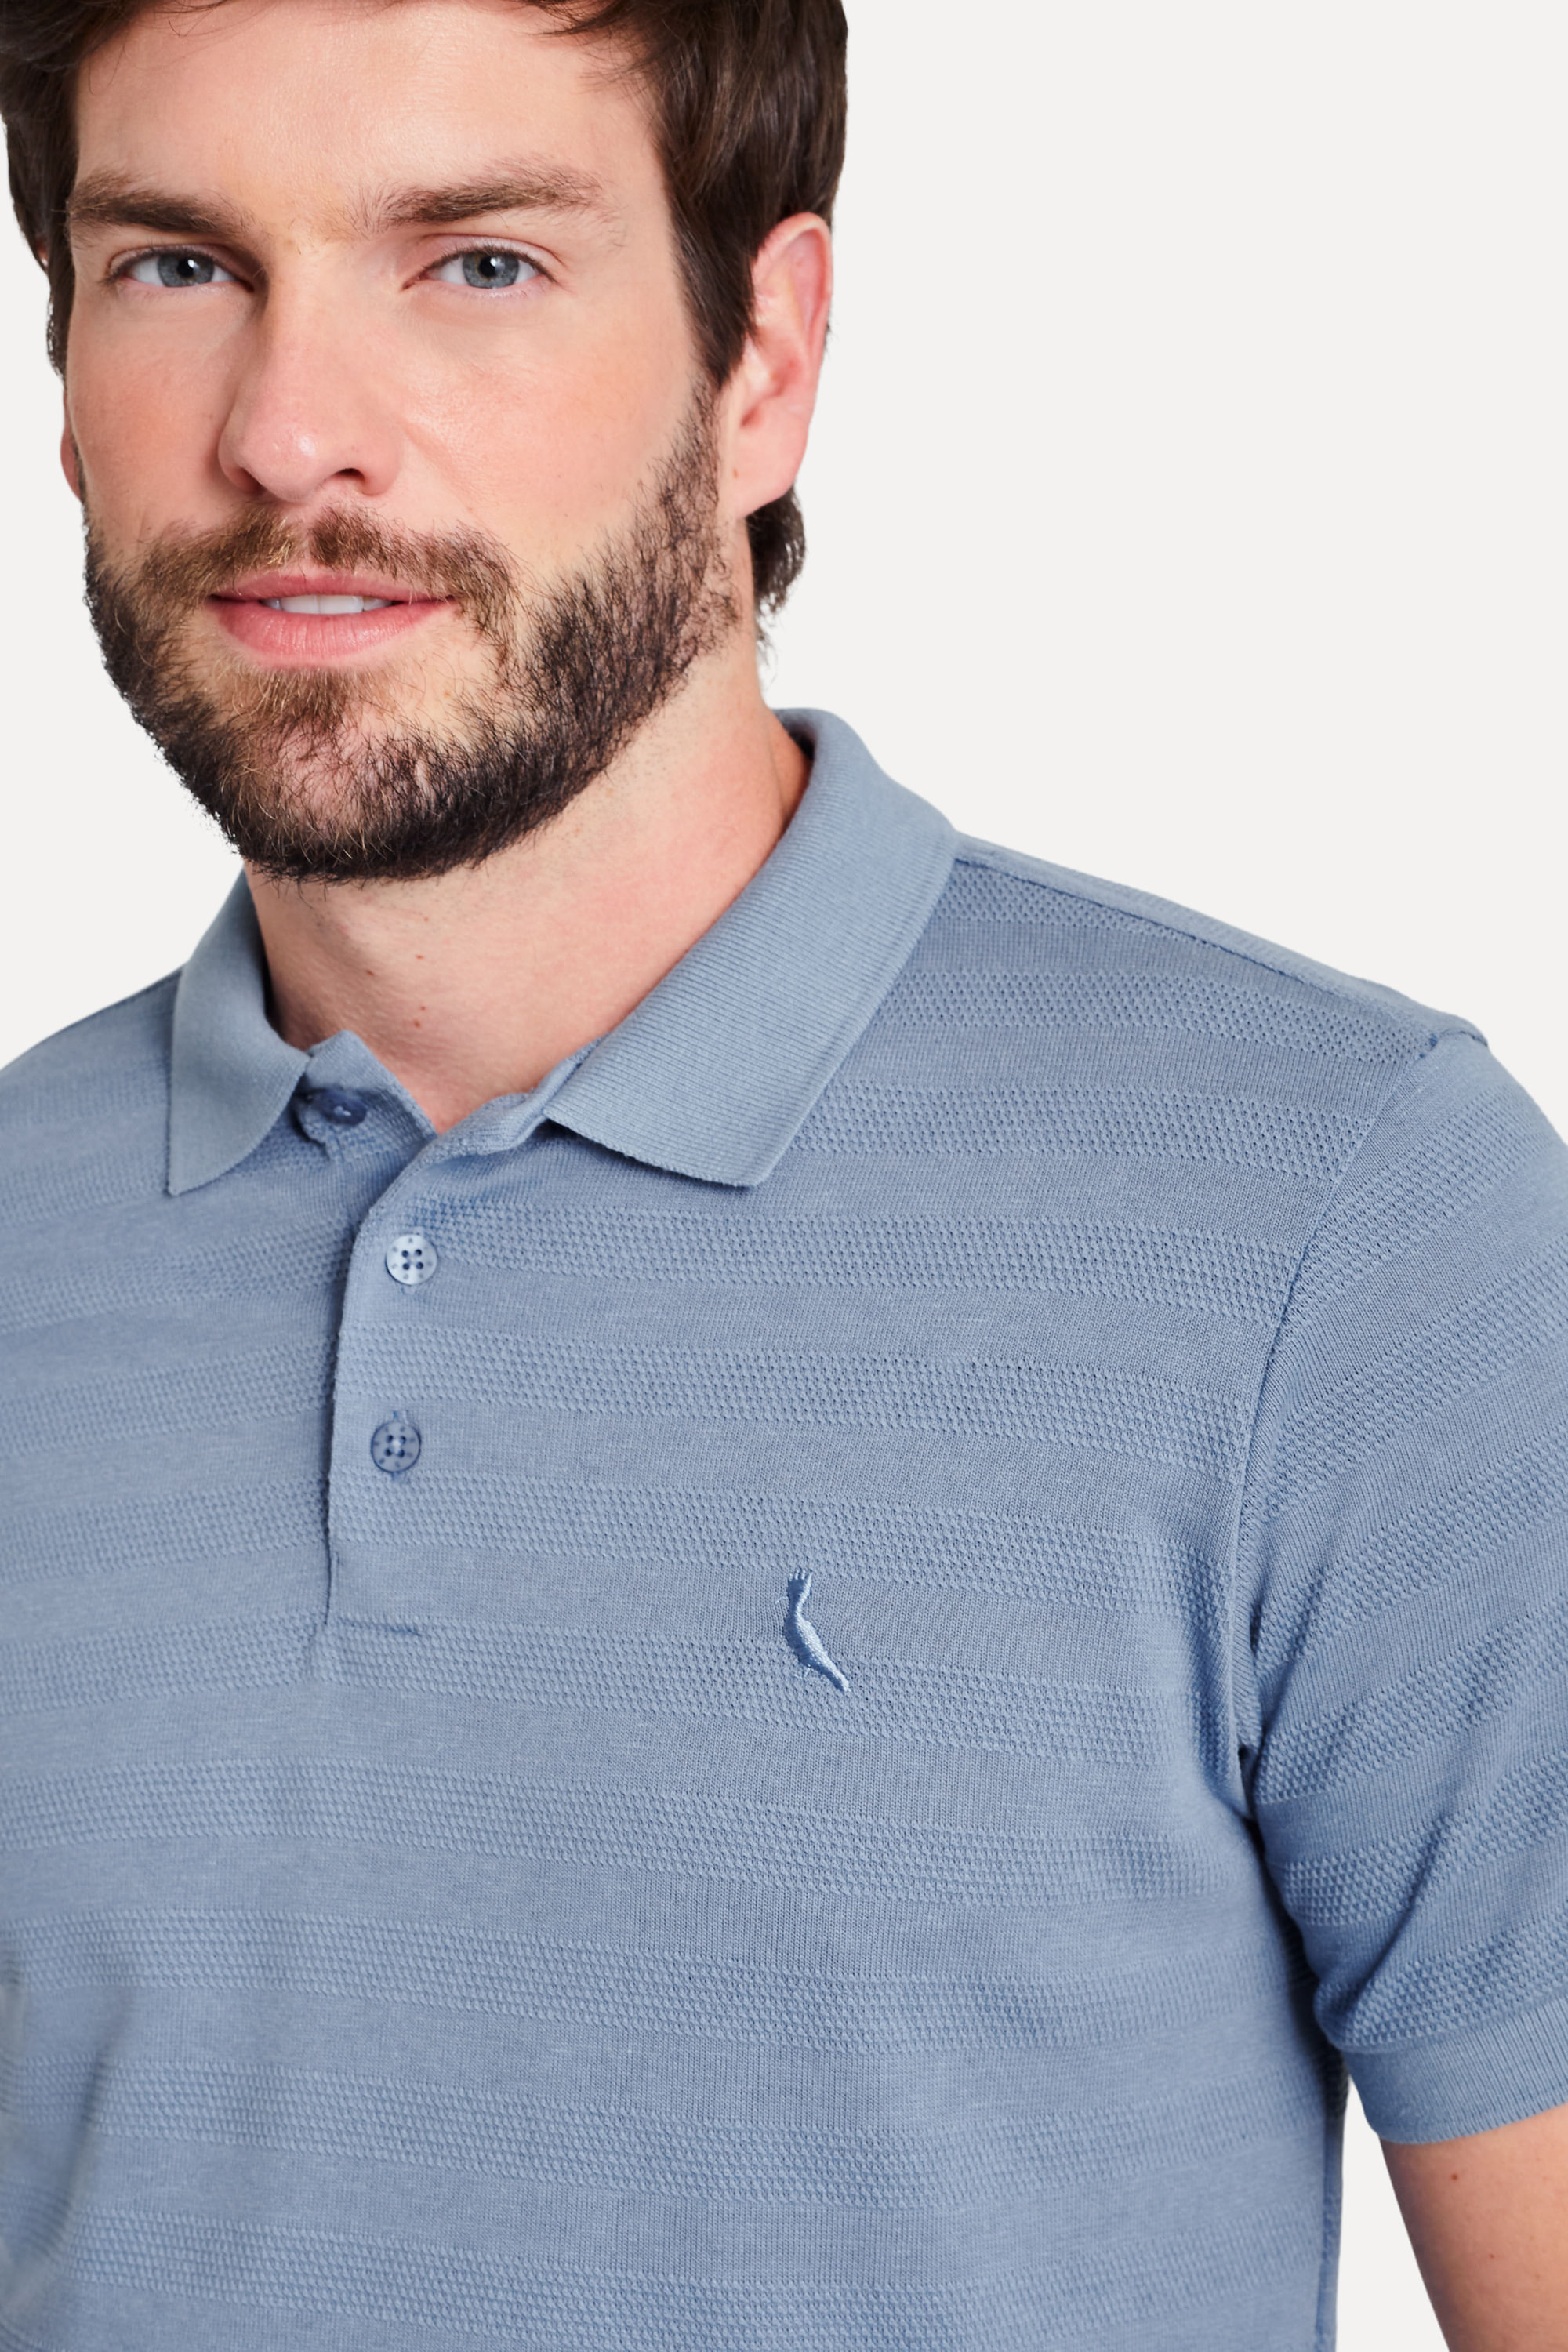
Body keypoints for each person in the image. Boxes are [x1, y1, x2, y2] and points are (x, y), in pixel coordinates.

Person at [1, 0, 1565, 2343]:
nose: (289, 430)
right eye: (178, 266)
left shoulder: (1347, 1222)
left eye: (479, 262)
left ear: (767, 359)